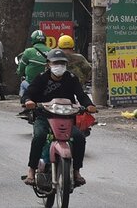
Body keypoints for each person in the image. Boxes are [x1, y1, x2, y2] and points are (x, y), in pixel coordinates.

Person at [22, 49, 96, 187]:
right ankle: (31, 170)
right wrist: (28, 101)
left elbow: (81, 95)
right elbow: (28, 94)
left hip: (67, 117)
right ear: (48, 64)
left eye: (62, 63)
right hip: (44, 116)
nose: (59, 65)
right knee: (39, 136)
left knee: (79, 137)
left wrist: (89, 105)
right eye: (55, 62)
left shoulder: (71, 78)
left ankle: (76, 171)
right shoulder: (41, 78)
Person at [16, 30, 50, 100]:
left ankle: (24, 101)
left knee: (23, 84)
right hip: (48, 85)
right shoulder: (51, 51)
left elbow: (21, 69)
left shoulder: (28, 52)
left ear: (33, 39)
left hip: (31, 84)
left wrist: (18, 72)